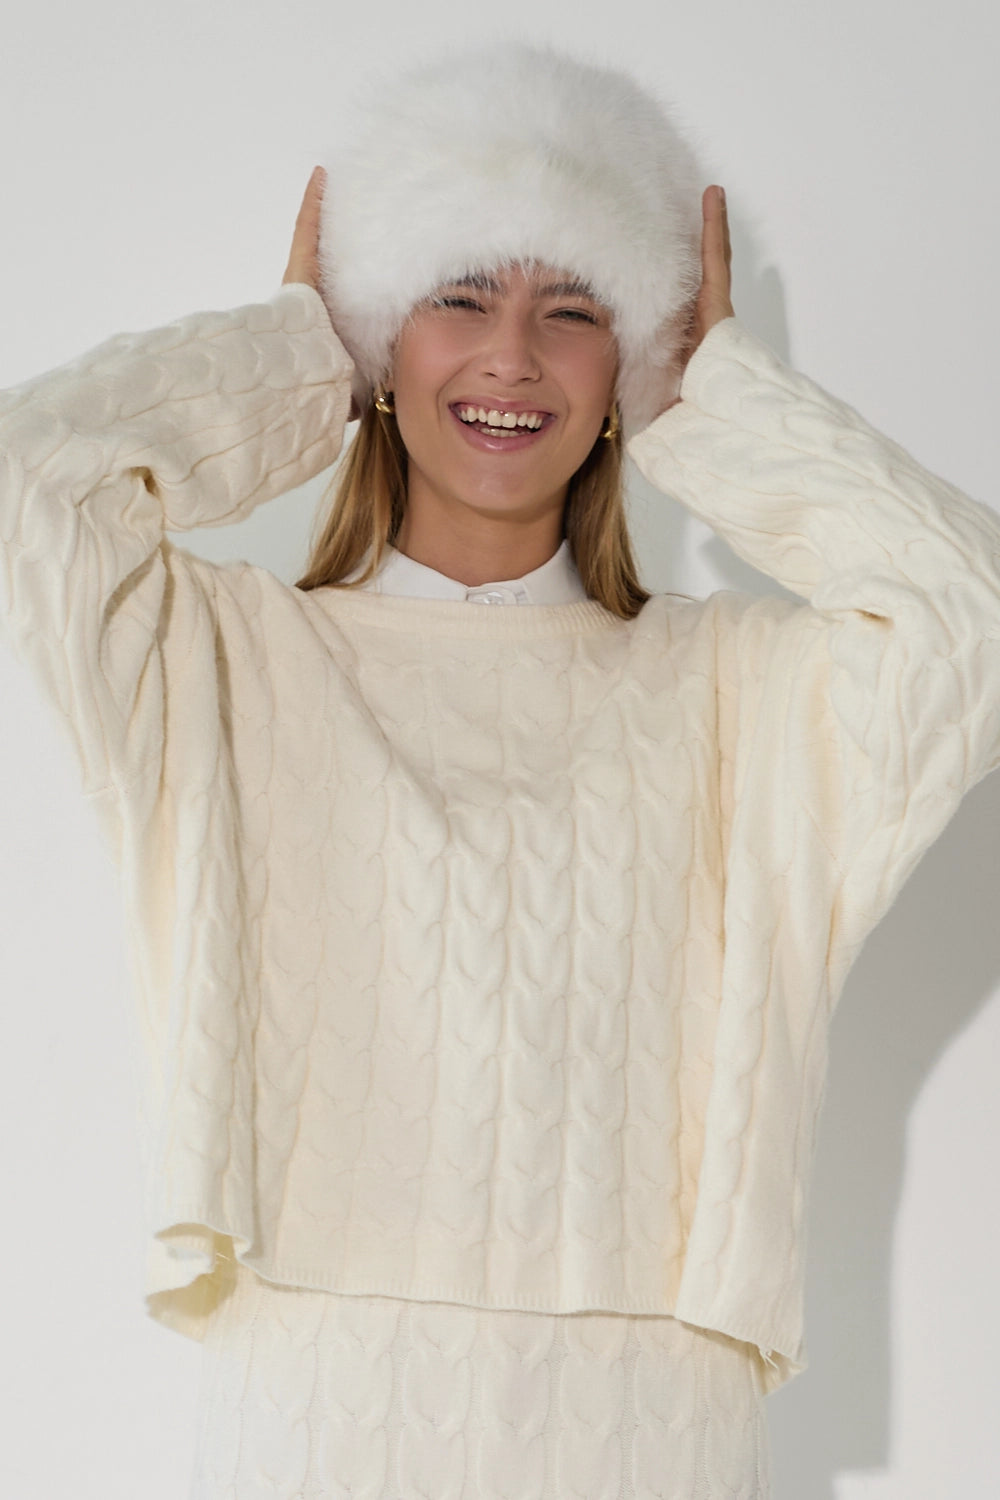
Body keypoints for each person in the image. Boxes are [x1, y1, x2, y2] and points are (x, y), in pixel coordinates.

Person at [2, 41, 999, 1500]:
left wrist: (719, 405)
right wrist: (297, 353)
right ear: (380, 341)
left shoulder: (744, 696)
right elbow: (35, 482)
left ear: (633, 365)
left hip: (647, 1419)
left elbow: (969, 614)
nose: (513, 356)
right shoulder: (223, 659)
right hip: (323, 1402)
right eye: (458, 295)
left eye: (574, 310)